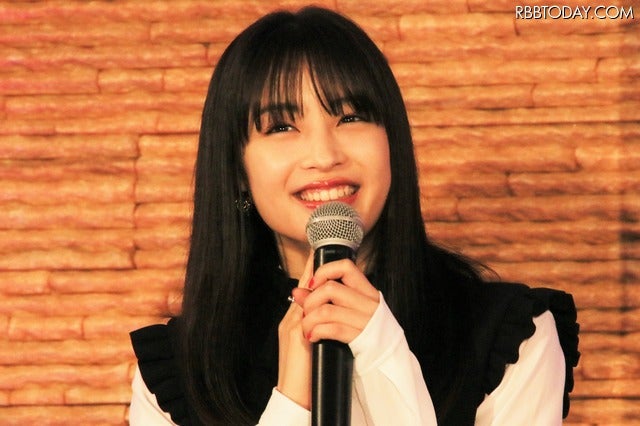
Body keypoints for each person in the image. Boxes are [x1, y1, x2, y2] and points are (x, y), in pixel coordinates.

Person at [129, 6, 579, 425]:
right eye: (282, 126)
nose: (325, 155)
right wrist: (291, 401)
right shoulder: (179, 373)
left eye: (350, 117)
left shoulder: (508, 337)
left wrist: (384, 356)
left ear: (392, 142)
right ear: (237, 171)